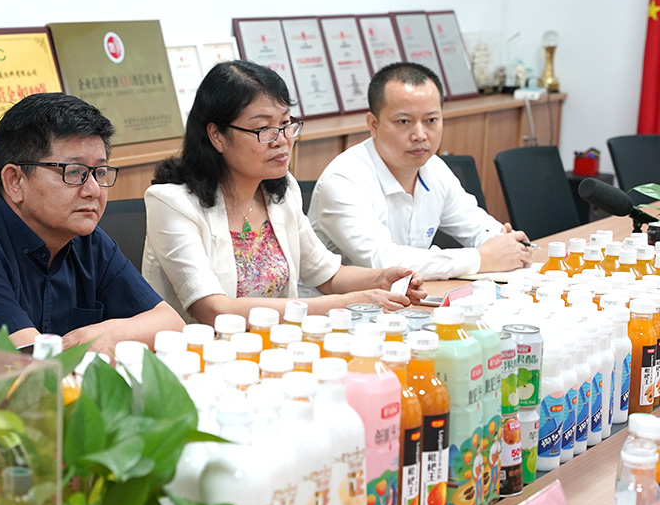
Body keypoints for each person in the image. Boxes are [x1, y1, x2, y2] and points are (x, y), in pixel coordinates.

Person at [143, 60, 426, 325]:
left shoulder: (280, 191)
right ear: (217, 135)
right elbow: (214, 310)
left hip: (276, 346)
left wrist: (382, 279)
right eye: (263, 129)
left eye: (285, 124)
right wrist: (347, 303)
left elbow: (328, 274)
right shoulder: (172, 204)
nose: (281, 141)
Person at [0, 92, 183, 353]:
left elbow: (172, 325)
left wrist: (104, 336)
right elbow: (32, 366)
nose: (94, 189)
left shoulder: (87, 240)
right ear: (15, 181)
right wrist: (102, 341)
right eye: (74, 172)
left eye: (99, 172)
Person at [308, 61, 534, 280]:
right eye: (404, 122)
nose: (420, 135)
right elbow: (384, 262)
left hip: (408, 298)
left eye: (431, 120)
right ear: (373, 125)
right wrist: (479, 259)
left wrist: (507, 244)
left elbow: (477, 226)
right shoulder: (344, 180)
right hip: (343, 303)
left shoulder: (434, 168)